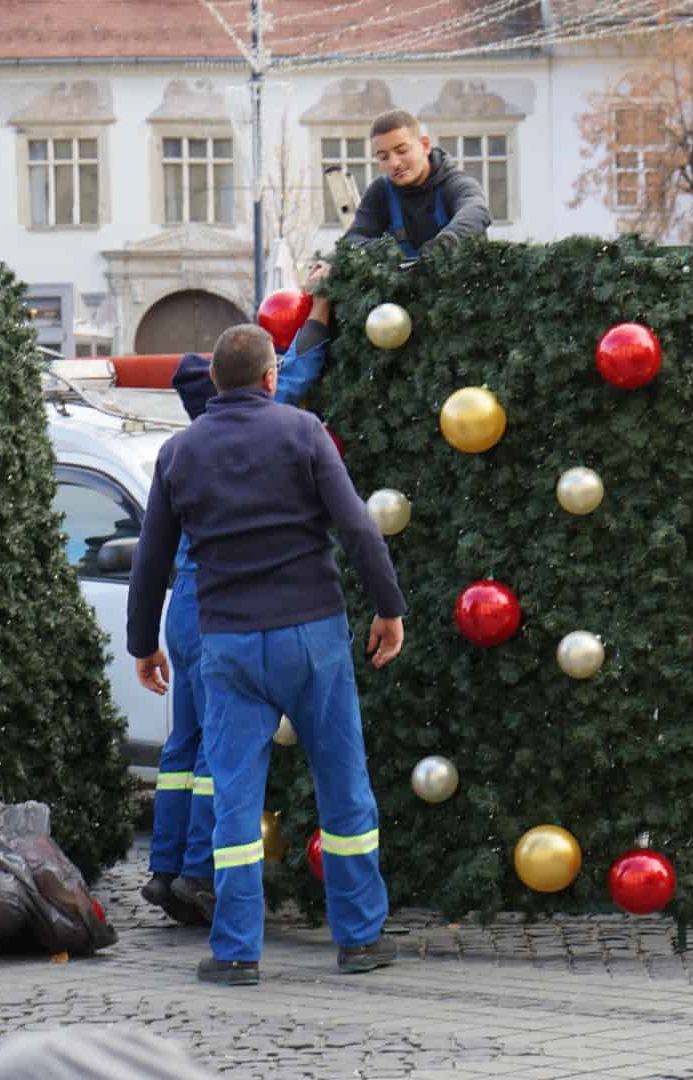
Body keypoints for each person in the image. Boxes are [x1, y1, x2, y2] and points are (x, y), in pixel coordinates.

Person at [125, 320, 406, 988]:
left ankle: (236, 951)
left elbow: (151, 559)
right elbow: (358, 528)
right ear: (271, 377)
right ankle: (360, 939)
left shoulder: (178, 453)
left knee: (233, 800)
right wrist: (389, 608)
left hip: (227, 644)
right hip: (313, 635)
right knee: (344, 788)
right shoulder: (303, 432)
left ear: (215, 382)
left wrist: (143, 644)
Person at [139, 270, 341, 926]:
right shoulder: (264, 427)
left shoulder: (189, 442)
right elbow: (299, 375)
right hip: (224, 606)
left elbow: (149, 554)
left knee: (183, 746)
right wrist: (323, 306)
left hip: (185, 606)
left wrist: (142, 640)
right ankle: (199, 869)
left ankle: (163, 868)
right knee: (218, 748)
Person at [339, 109, 492, 261]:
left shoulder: (457, 184)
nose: (394, 163)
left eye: (402, 151)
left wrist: (444, 245)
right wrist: (383, 251)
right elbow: (354, 238)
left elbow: (476, 211)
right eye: (384, 157)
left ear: (425, 146)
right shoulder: (380, 192)